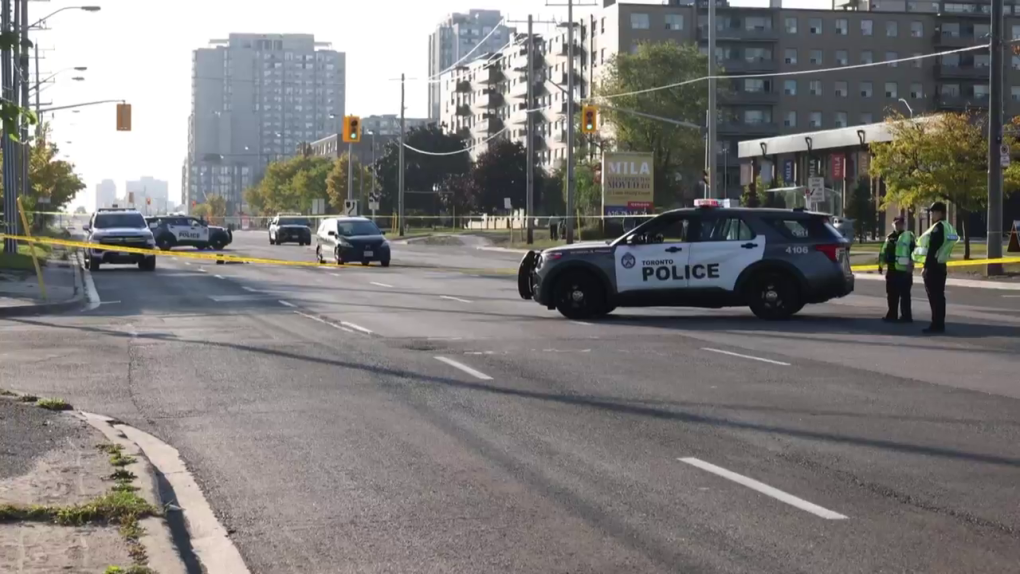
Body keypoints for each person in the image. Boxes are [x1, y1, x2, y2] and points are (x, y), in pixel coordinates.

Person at [912, 201, 959, 334]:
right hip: (941, 265)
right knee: (940, 296)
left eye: (934, 211)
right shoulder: (949, 227)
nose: (932, 214)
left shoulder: (937, 228)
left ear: (941, 213)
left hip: (933, 267)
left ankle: (936, 324)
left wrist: (926, 267)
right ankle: (939, 323)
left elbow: (932, 249)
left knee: (934, 297)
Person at [878, 216, 915, 323]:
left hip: (904, 271)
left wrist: (911, 264)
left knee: (905, 295)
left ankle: (906, 316)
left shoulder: (909, 236)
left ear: (904, 224)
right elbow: (884, 251)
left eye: (901, 224)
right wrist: (881, 265)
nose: (899, 225)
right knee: (891, 294)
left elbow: (914, 251)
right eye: (897, 223)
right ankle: (892, 314)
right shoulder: (890, 237)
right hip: (892, 269)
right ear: (893, 224)